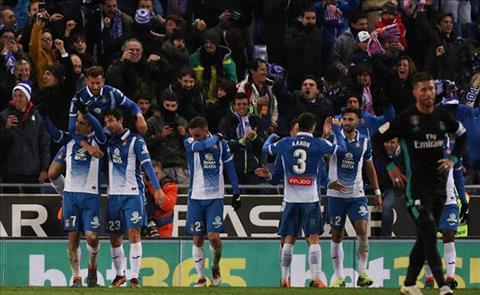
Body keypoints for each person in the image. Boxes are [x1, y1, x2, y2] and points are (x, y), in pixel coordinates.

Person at [372, 72, 466, 295]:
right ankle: (443, 284)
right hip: (415, 188)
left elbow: (462, 135)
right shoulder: (405, 119)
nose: (428, 93)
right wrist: (390, 166)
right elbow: (377, 138)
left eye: (431, 89)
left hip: (439, 189)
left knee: (425, 236)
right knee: (430, 229)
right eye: (423, 89)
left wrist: (453, 159)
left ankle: (410, 283)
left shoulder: (443, 117)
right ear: (415, 92)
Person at [256, 112, 346, 288]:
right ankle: (317, 278)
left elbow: (266, 149)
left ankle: (284, 279)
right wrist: (336, 128)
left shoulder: (285, 143)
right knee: (313, 239)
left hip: (290, 200)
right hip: (310, 200)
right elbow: (341, 149)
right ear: (313, 127)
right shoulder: (318, 143)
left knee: (289, 239)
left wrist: (271, 137)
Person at [104, 108, 164, 288]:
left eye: (111, 121)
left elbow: (147, 165)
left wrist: (158, 189)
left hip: (132, 194)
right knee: (114, 236)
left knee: (133, 233)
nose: (108, 125)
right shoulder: (108, 142)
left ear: (120, 120)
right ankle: (119, 275)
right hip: (114, 195)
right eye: (106, 122)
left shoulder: (136, 141)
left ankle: (134, 277)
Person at [326, 107, 382, 288]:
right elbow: (320, 159)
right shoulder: (333, 137)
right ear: (341, 121)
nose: (348, 122)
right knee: (336, 236)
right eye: (345, 119)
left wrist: (377, 191)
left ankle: (363, 273)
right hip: (335, 196)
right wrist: (328, 182)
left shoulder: (365, 141)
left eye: (351, 119)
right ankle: (339, 277)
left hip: (357, 195)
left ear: (358, 121)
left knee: (363, 232)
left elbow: (370, 167)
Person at [184, 116, 241, 287]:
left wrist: (236, 192)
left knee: (213, 237)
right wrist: (216, 137)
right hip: (195, 197)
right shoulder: (190, 142)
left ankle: (215, 266)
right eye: (194, 135)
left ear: (205, 129)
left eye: (199, 135)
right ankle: (201, 278)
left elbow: (230, 168)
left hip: (215, 198)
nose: (196, 138)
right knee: (197, 239)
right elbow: (202, 145)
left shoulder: (222, 146)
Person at [55, 111, 106, 288]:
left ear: (90, 126)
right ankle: (76, 277)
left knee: (92, 237)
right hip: (71, 196)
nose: (77, 125)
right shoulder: (68, 144)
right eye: (76, 121)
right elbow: (53, 172)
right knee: (73, 237)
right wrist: (63, 192)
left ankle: (93, 267)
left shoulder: (99, 141)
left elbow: (100, 128)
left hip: (91, 196)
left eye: (82, 122)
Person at [423, 138, 469, 290]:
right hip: (429, 200)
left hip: (449, 200)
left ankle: (450, 278)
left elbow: (458, 176)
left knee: (448, 234)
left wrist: (464, 200)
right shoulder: (424, 146)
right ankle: (429, 278)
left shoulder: (455, 148)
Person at [69, 66, 147, 141]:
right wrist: (88, 147)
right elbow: (71, 129)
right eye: (92, 83)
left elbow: (132, 105)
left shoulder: (112, 92)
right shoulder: (78, 98)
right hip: (89, 135)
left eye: (98, 83)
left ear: (103, 81)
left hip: (111, 132)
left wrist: (140, 117)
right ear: (86, 81)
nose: (95, 87)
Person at [0, 83, 50, 192]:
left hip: (32, 172)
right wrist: (6, 129)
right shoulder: (4, 116)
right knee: (9, 205)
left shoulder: (37, 117)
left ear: (27, 98)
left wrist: (44, 169)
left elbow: (44, 145)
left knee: (32, 205)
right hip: (10, 172)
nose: (17, 99)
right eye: (15, 96)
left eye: (21, 96)